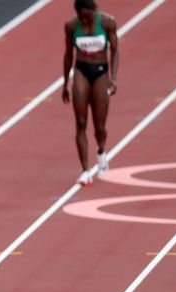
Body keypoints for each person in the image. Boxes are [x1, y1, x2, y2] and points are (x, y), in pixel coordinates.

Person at [62, 0, 119, 186]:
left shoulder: (107, 23)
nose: (82, 19)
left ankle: (101, 150)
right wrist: (65, 82)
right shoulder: (71, 26)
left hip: (101, 72)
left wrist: (114, 78)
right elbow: (68, 54)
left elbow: (115, 51)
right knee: (80, 122)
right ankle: (85, 170)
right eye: (79, 15)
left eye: (85, 16)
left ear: (93, 11)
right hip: (81, 71)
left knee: (100, 127)